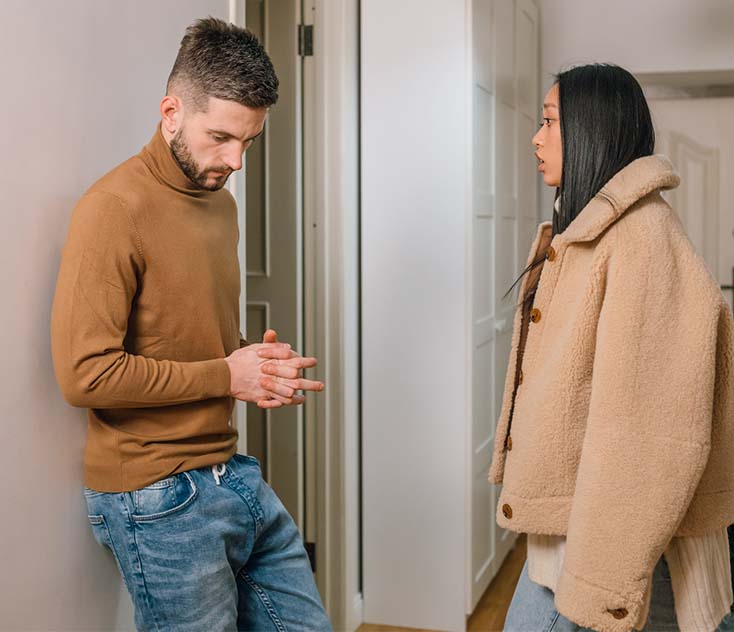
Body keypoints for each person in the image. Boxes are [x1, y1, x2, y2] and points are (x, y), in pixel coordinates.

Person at [50, 17, 332, 631]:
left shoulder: (220, 204)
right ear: (171, 111)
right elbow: (85, 376)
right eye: (221, 137)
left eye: (249, 142)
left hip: (231, 473)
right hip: (154, 497)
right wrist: (226, 375)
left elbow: (190, 340)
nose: (234, 160)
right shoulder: (112, 210)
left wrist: (251, 367)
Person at [491, 63, 734, 631]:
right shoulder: (591, 233)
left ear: (593, 130)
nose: (536, 137)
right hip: (580, 532)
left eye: (550, 121)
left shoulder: (643, 242)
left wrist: (598, 580)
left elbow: (649, 437)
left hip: (612, 543)